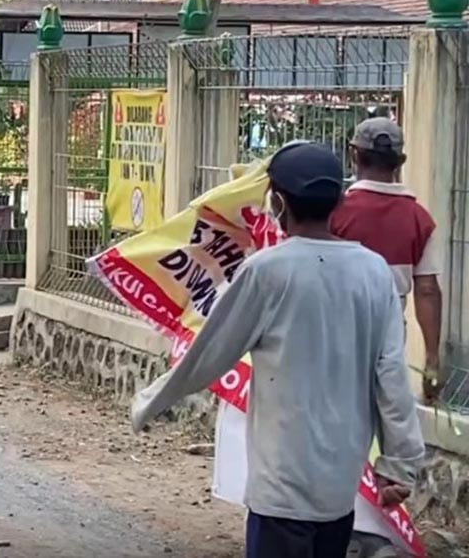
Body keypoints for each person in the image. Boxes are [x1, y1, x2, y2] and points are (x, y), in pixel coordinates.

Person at [131, 142, 424, 558]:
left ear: (278, 202)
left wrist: (149, 402)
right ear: (339, 201)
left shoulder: (268, 270)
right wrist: (400, 464)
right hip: (340, 484)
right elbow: (391, 373)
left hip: (282, 483)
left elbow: (212, 352)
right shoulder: (372, 271)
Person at [331, 118, 443, 402]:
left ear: (354, 154)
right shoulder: (421, 219)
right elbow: (427, 290)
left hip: (335, 321)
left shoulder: (335, 212)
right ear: (400, 161)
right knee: (382, 402)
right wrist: (432, 358)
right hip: (390, 325)